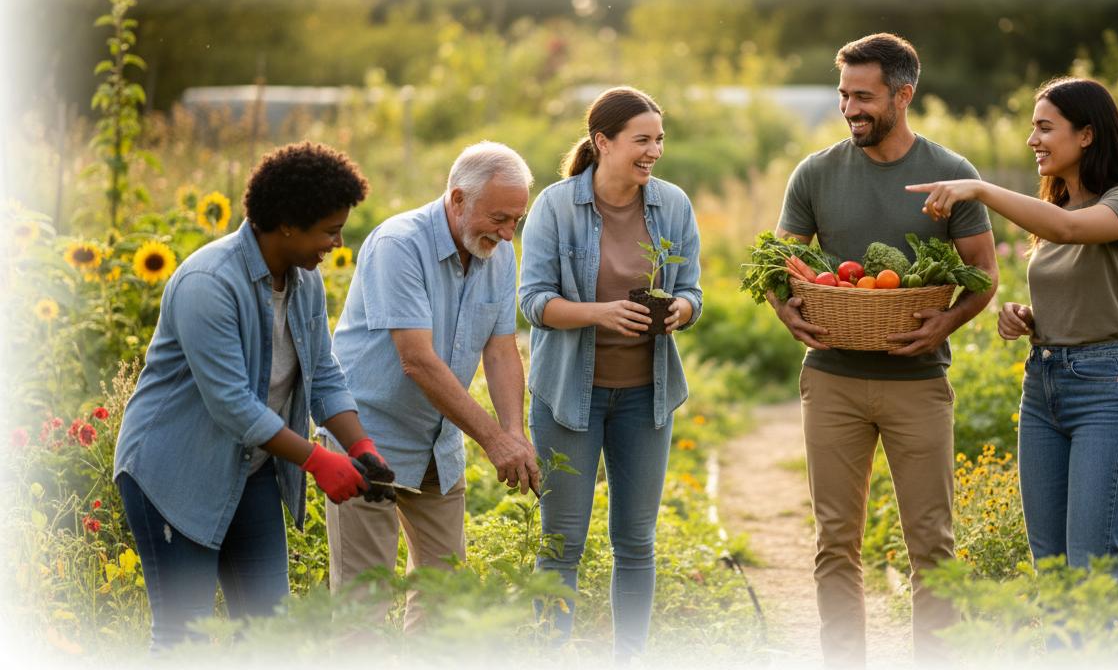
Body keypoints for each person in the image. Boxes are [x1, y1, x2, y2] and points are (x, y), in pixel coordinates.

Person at [768, 33, 999, 666]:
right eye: (844, 96)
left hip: (918, 381)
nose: (850, 109)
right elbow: (777, 263)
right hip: (832, 378)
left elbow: (984, 277)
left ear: (904, 94)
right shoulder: (815, 172)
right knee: (834, 541)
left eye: (863, 97)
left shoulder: (953, 175)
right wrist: (786, 311)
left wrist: (943, 325)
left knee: (932, 544)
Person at [114, 141, 389, 651]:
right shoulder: (209, 282)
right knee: (184, 637)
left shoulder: (304, 282)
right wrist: (317, 462)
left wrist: (360, 447)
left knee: (267, 634)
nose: (337, 241)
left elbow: (324, 374)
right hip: (175, 472)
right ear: (287, 223)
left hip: (251, 469)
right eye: (329, 229)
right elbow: (231, 404)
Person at [907, 76, 1118, 575]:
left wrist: (979, 188)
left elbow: (1068, 232)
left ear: (1087, 135)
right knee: (1050, 568)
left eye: (1045, 128)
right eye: (1032, 129)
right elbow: (1069, 257)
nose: (1033, 141)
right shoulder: (1060, 208)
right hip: (1043, 387)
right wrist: (1028, 317)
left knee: (1090, 571)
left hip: (1106, 390)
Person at [324, 141, 540, 631]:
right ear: (459, 198)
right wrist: (492, 439)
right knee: (365, 598)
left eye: (516, 221)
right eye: (500, 218)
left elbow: (502, 349)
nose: (508, 234)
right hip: (367, 437)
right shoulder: (399, 244)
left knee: (444, 596)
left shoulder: (497, 253)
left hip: (437, 444)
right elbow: (417, 361)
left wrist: (514, 430)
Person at [518, 86, 703, 660]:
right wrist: (599, 313)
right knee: (561, 545)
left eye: (659, 139)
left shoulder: (672, 205)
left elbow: (694, 289)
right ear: (603, 142)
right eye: (642, 140)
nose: (655, 151)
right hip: (568, 396)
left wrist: (683, 309)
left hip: (646, 397)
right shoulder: (555, 206)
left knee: (636, 543)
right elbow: (531, 302)